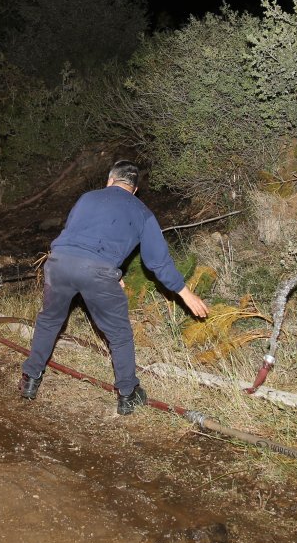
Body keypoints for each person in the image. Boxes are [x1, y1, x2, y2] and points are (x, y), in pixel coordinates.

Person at [20, 160, 209, 415]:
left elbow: (77, 235)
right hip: (97, 272)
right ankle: (128, 394)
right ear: (135, 189)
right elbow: (157, 262)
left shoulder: (87, 198)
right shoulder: (142, 212)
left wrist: (112, 271)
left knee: (50, 320)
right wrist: (185, 293)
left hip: (58, 263)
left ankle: (30, 380)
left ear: (110, 180)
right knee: (119, 334)